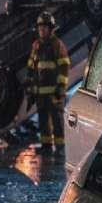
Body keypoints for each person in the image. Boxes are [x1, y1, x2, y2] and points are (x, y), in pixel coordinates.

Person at [26, 11, 69, 153]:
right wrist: (30, 88)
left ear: (50, 29)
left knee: (57, 120)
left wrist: (61, 87)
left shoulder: (57, 45)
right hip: (40, 93)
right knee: (43, 120)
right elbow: (31, 67)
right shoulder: (36, 46)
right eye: (40, 28)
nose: (41, 31)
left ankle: (60, 147)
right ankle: (46, 146)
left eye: (44, 28)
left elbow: (64, 66)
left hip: (54, 92)